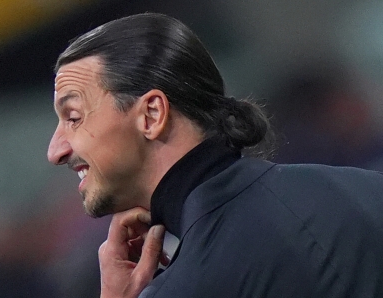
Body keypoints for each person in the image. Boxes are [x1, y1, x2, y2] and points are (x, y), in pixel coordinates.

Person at [47, 12, 383, 298]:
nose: (56, 150)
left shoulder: (190, 283)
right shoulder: (368, 190)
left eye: (73, 117)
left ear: (151, 115)